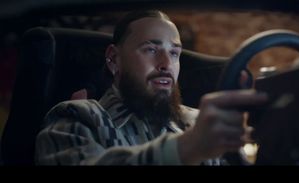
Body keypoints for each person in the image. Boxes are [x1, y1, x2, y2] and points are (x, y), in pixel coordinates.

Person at [35, 10, 267, 165]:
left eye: (174, 53)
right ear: (114, 59)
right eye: (151, 49)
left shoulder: (198, 122)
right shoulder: (77, 116)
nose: (166, 64)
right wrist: (186, 148)